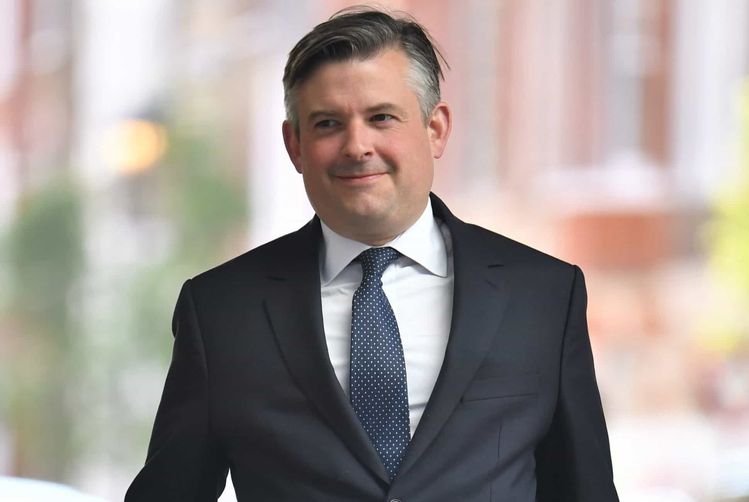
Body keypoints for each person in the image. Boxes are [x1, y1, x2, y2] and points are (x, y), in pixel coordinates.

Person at [126, 7, 619, 502]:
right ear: (294, 145)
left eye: (381, 117)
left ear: (436, 129)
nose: (356, 146)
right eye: (327, 124)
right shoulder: (221, 311)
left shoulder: (542, 296)